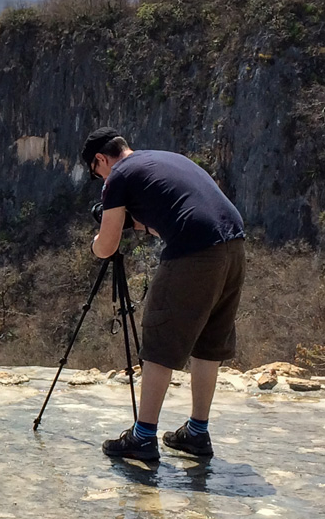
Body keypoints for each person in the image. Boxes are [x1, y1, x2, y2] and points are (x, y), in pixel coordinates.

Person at [82, 127, 246, 461]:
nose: (100, 180)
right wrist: (136, 223)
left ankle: (143, 437)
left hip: (194, 250)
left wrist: (95, 242)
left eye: (96, 173)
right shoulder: (163, 159)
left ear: (101, 159)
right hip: (234, 243)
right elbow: (166, 218)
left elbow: (107, 246)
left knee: (159, 340)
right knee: (208, 343)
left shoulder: (118, 176)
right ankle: (197, 433)